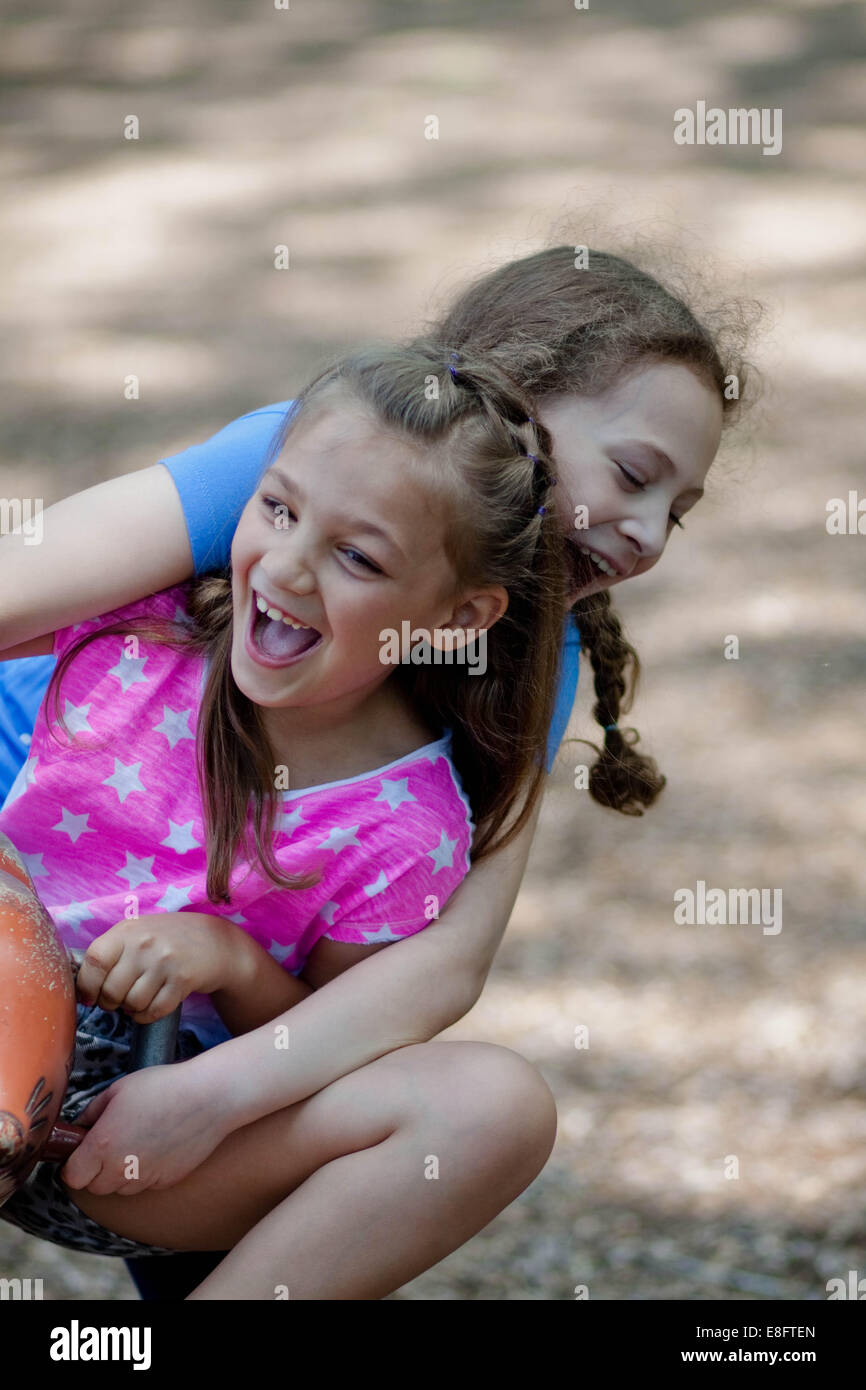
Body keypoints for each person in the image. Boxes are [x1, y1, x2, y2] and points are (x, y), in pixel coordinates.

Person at [0, 244, 756, 1299]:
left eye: (671, 509)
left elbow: (438, 963)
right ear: (513, 398)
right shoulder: (310, 464)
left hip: (167, 1058)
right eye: (630, 474)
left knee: (487, 1106)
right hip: (23, 909)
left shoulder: (535, 655)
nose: (640, 533)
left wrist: (212, 1092)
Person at [0, 337, 572, 1295]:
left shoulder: (405, 826)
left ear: (458, 617)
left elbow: (330, 1039)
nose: (291, 567)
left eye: (357, 554)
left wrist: (232, 965)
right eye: (278, 507)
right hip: (11, 996)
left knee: (490, 1107)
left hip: (135, 1142)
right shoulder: (143, 626)